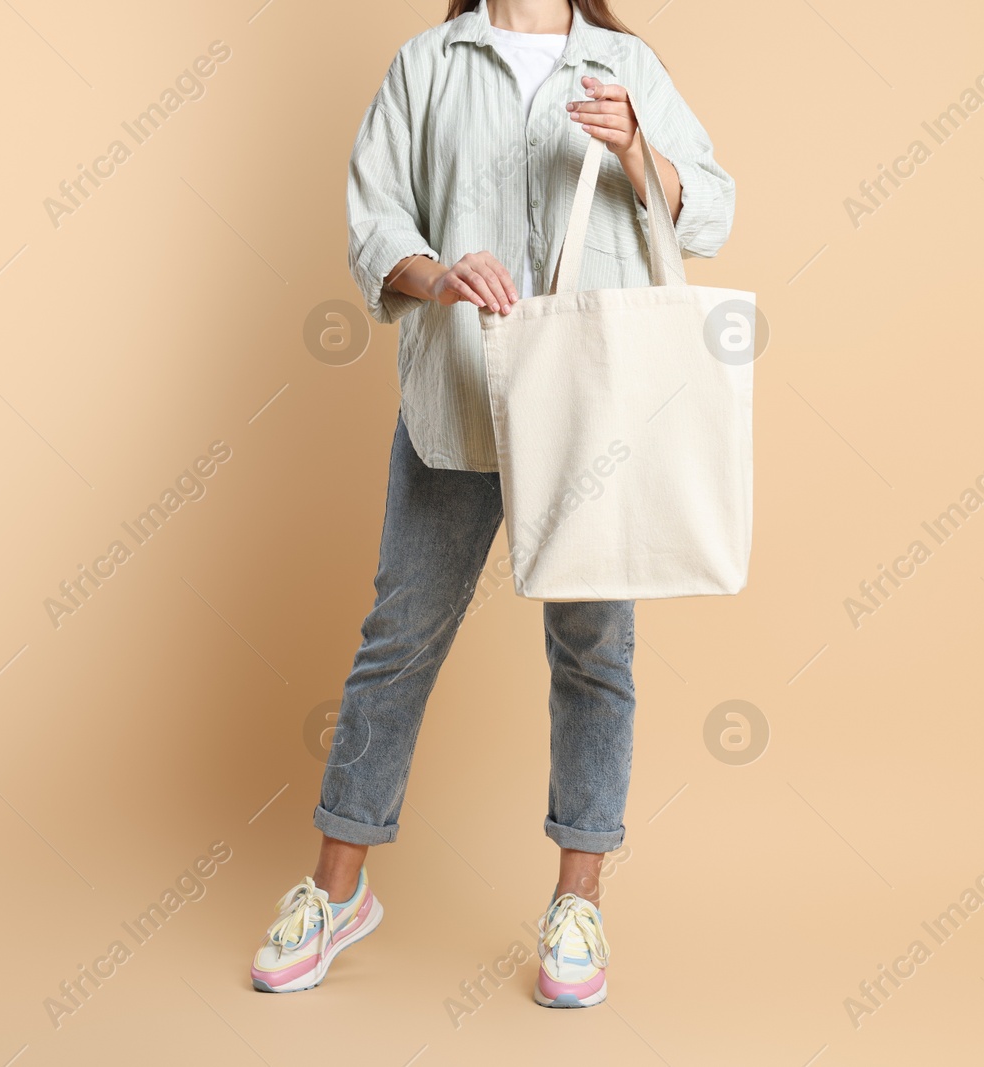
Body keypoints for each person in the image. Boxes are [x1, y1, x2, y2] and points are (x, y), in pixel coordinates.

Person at [251, 0, 735, 1007]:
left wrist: (638, 150)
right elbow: (375, 215)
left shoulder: (621, 63)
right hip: (456, 394)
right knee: (397, 640)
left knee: (595, 652)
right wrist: (437, 274)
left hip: (592, 413)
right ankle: (336, 891)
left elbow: (715, 211)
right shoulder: (427, 63)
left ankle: (578, 898)